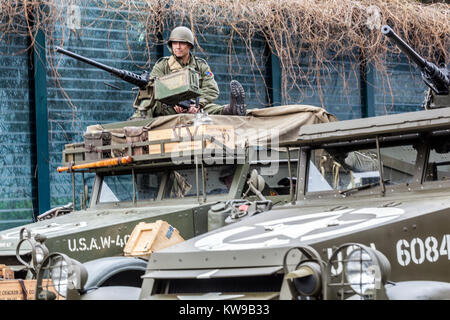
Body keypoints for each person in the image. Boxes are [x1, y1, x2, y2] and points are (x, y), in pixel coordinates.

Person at [132, 26, 246, 119]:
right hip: (170, 109)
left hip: (195, 108)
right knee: (151, 104)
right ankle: (139, 125)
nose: (177, 47)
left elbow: (212, 89)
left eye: (182, 43)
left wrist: (198, 104)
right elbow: (154, 89)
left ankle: (231, 109)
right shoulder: (162, 65)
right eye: (174, 43)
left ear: (189, 45)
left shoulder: (200, 65)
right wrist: (173, 102)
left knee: (211, 109)